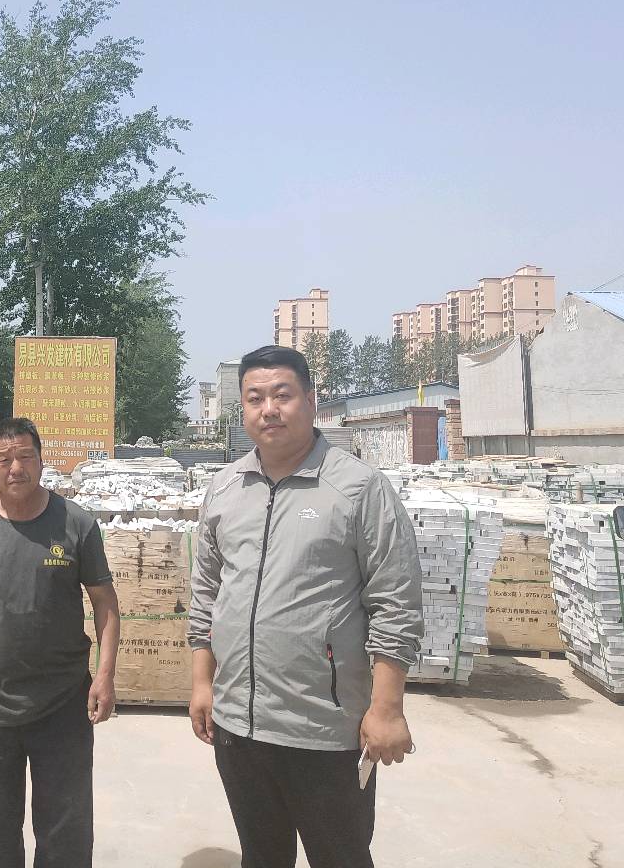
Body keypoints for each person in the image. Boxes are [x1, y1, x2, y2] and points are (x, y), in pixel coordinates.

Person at [188, 345, 424, 868]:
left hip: (324, 729)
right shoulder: (225, 488)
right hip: (238, 725)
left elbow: (395, 603)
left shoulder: (358, 489)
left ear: (312, 401)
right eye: (255, 399)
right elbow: (206, 593)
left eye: (282, 395)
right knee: (261, 855)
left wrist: (387, 708)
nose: (269, 409)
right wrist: (203, 683)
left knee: (339, 856)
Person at [0, 417, 121, 868]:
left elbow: (106, 605)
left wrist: (105, 677)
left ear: (42, 461)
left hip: (63, 703)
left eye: (26, 456)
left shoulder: (76, 524)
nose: (16, 468)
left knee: (65, 833)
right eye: (4, 459)